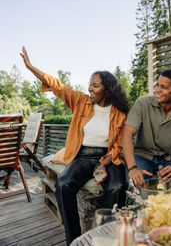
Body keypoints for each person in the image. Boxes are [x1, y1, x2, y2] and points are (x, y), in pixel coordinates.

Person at [20, 46, 129, 245]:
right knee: (64, 184)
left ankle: (106, 236)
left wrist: (103, 165)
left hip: (109, 158)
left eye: (95, 85)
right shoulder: (81, 102)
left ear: (107, 88)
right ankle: (75, 240)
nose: (90, 89)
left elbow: (119, 146)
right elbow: (57, 85)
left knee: (117, 187)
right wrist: (30, 67)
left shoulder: (120, 113)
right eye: (90, 84)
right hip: (82, 156)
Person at [122, 69, 171, 223]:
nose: (157, 89)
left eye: (164, 87)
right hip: (141, 156)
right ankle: (140, 230)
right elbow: (127, 135)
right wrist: (132, 168)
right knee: (138, 183)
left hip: (168, 159)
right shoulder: (142, 103)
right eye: (158, 85)